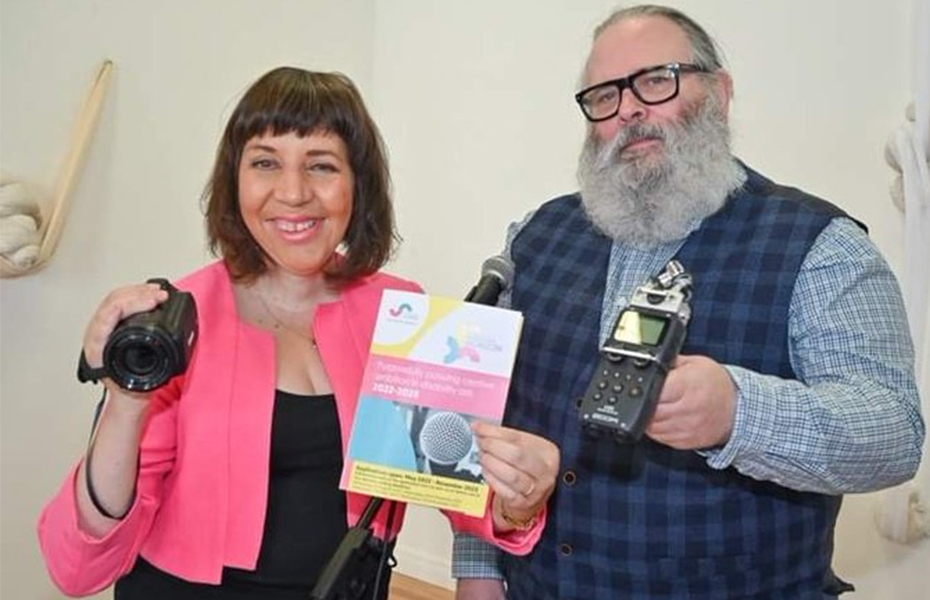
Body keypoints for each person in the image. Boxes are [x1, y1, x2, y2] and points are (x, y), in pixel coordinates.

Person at [453, 5, 925, 600]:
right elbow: (483, 417)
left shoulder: (823, 247)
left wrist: (739, 412)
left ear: (720, 93)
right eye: (604, 95)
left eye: (656, 80)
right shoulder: (533, 237)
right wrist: (476, 567)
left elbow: (893, 435)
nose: (628, 108)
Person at [37, 66, 559, 600]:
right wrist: (125, 402)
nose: (292, 193)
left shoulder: (398, 312)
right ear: (233, 180)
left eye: (322, 166)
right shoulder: (178, 318)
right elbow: (80, 565)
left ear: (358, 185)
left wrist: (518, 499)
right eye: (266, 162)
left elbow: (458, 490)